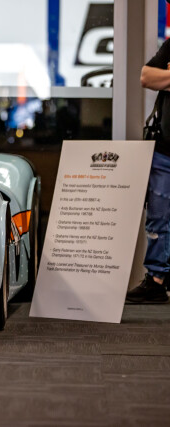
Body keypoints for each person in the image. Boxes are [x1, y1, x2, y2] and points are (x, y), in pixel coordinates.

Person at [126, 35, 170, 303]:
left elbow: (157, 79)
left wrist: (167, 78)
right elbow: (146, 77)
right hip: (165, 149)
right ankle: (156, 280)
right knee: (158, 218)